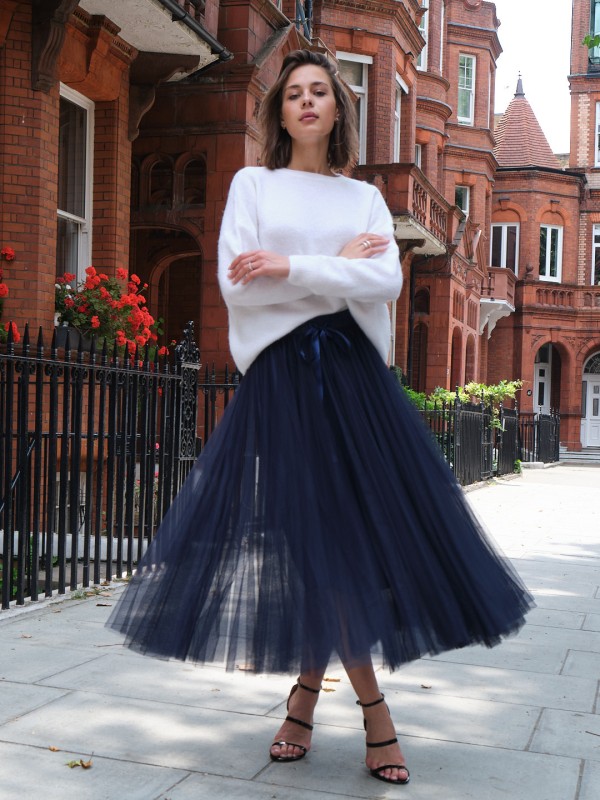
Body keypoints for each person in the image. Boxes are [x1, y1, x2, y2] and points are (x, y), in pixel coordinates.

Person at [108, 49, 533, 787]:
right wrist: (332, 270)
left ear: (339, 110)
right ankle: (371, 708)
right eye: (293, 92)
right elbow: (238, 286)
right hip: (283, 381)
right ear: (278, 111)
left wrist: (294, 268)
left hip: (354, 382)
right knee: (316, 539)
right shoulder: (252, 183)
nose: (306, 101)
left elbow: (385, 281)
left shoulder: (363, 200)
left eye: (320, 91)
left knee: (340, 540)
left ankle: (307, 694)